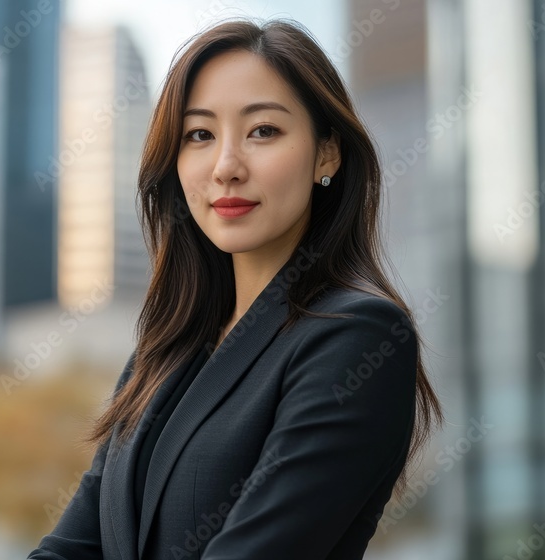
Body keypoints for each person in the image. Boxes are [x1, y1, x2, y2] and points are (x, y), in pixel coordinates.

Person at [28, 17, 444, 560]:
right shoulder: (161, 354)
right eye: (199, 135)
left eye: (263, 131)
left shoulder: (357, 338)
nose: (226, 166)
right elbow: (71, 549)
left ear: (327, 154)